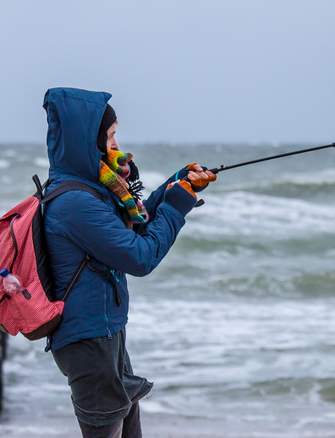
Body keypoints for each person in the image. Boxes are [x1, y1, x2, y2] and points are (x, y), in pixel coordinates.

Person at [41, 87, 215, 437]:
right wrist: (178, 205)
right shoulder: (75, 202)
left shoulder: (92, 187)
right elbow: (140, 255)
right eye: (110, 136)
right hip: (90, 342)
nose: (117, 144)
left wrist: (175, 186)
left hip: (106, 333)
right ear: (87, 141)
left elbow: (135, 223)